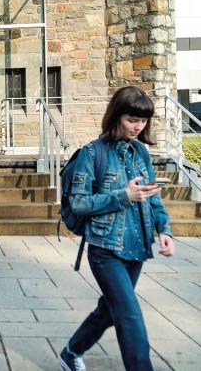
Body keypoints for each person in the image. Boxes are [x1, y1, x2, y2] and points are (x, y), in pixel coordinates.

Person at [59, 86, 175, 371]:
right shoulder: (91, 153)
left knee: (111, 309)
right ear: (116, 116)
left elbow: (151, 195)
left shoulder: (140, 153)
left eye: (143, 121)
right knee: (129, 315)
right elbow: (79, 204)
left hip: (137, 246)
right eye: (131, 120)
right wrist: (123, 196)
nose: (138, 127)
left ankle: (71, 352)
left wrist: (165, 230)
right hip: (105, 249)